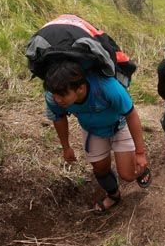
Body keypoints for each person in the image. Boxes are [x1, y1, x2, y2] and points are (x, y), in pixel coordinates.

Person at [44, 60, 150, 213]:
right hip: (92, 130)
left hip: (119, 126)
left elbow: (131, 115)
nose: (57, 99)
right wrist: (66, 147)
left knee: (127, 175)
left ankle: (141, 170)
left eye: (62, 95)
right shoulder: (54, 97)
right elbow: (59, 118)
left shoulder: (107, 88)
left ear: (80, 88)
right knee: (100, 169)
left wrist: (140, 153)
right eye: (55, 95)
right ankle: (113, 195)